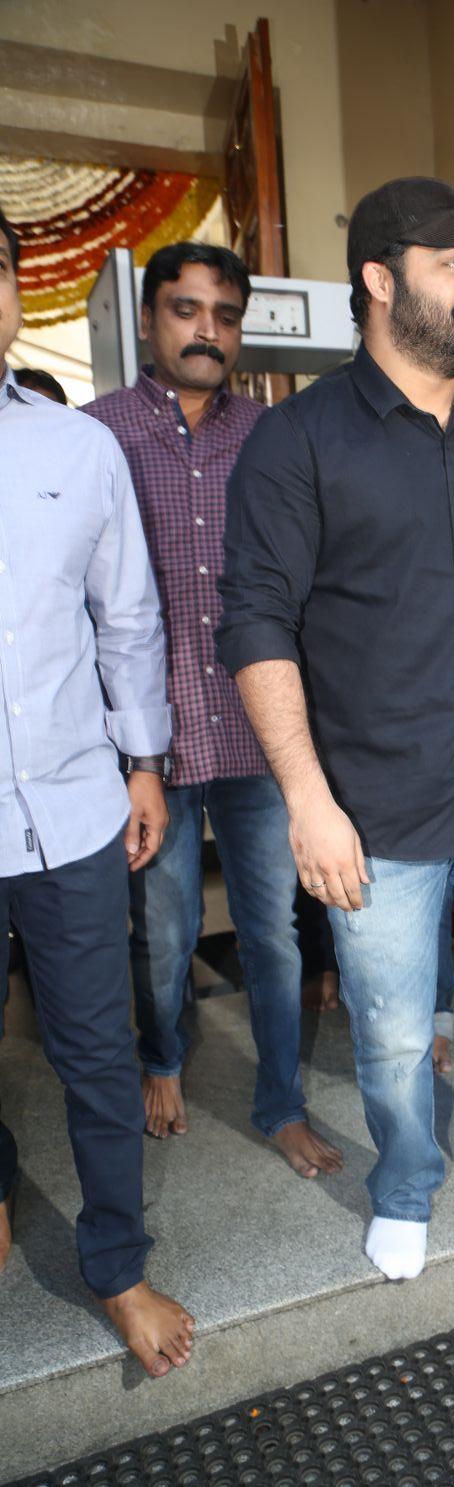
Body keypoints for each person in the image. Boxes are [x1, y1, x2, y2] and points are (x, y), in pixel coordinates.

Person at [219, 177, 454, 1282]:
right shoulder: (295, 442)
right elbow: (256, 623)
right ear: (380, 281)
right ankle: (403, 1185)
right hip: (374, 807)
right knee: (393, 1032)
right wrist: (307, 801)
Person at [83, 242, 341, 1180]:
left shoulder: (277, 433)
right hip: (143, 739)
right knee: (164, 929)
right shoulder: (94, 434)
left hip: (255, 729)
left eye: (225, 316)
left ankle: (281, 1104)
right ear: (148, 317)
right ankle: (162, 1056)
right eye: (186, 310)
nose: (207, 331)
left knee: (271, 929)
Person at [0, 208, 194, 1376]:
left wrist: (144, 763)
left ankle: (116, 1266)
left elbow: (127, 619)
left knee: (97, 1056)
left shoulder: (75, 451)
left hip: (71, 814)